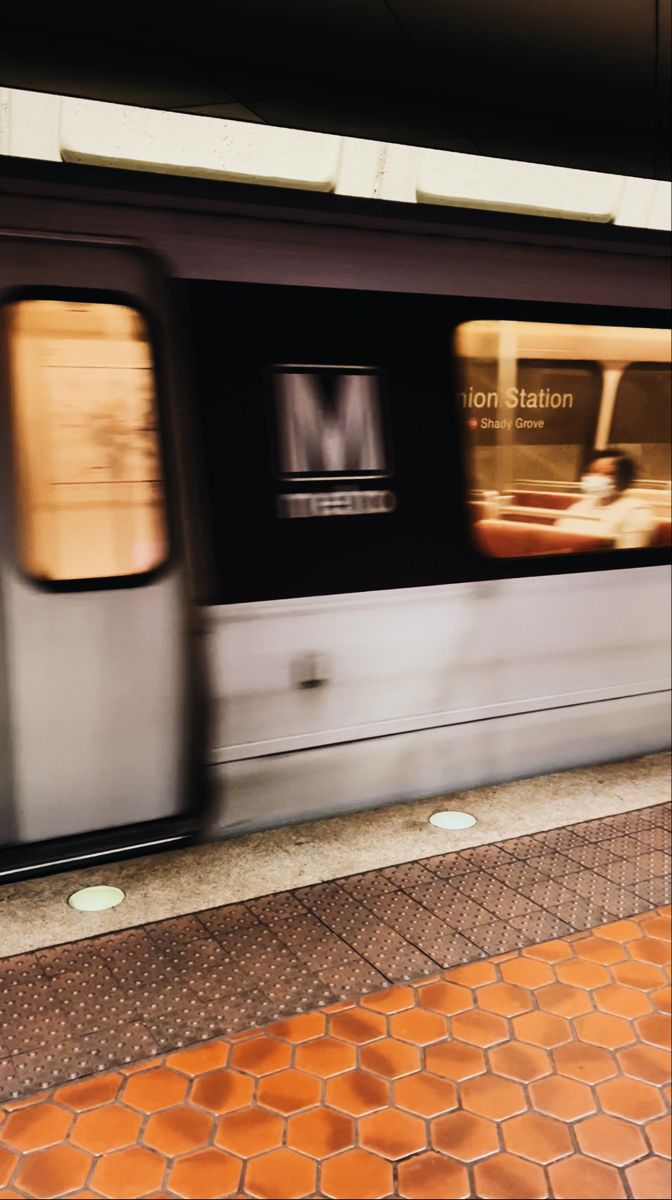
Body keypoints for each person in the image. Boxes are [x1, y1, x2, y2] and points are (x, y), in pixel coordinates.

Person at [555, 449, 656, 549]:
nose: (596, 477)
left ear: (623, 478)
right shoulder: (582, 504)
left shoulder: (636, 511)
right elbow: (558, 534)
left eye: (608, 473)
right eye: (593, 471)